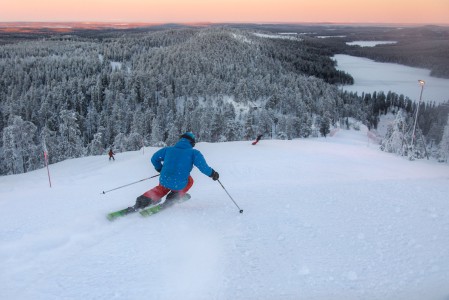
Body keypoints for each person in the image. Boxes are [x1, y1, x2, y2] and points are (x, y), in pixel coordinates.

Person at [127, 132, 219, 212]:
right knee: (190, 181)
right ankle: (174, 197)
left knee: (162, 188)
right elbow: (203, 167)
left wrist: (160, 168)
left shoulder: (168, 150)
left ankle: (143, 201)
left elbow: (154, 159)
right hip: (179, 183)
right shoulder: (194, 153)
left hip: (164, 180)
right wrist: (212, 174)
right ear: (192, 142)